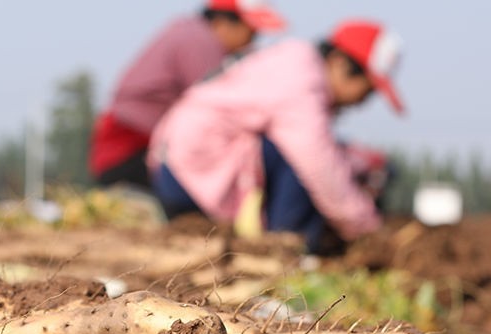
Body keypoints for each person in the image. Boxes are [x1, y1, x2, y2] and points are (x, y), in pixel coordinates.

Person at [148, 20, 405, 252]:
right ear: (339, 62)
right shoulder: (303, 80)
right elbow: (320, 168)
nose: (362, 102)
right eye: (367, 90)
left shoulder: (293, 61)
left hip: (178, 163)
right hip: (191, 172)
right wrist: (367, 228)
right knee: (301, 160)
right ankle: (289, 251)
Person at [88, 1, 286, 189]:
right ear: (221, 23)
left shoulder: (189, 32)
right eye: (250, 33)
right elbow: (222, 108)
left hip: (128, 149)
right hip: (130, 151)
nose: (251, 43)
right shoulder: (202, 43)